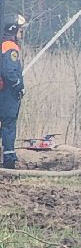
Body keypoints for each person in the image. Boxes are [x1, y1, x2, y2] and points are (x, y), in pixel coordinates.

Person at [0, 15, 25, 170]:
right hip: (8, 94)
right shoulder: (10, 47)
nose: (22, 34)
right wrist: (18, 85)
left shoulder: (3, 45)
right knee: (9, 124)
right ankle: (9, 161)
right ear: (14, 31)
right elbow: (9, 71)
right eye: (20, 31)